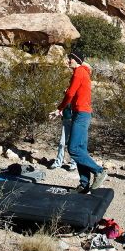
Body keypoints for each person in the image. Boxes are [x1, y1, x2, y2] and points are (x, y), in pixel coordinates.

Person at [49, 50, 107, 193]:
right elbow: (74, 93)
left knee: (73, 149)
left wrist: (59, 109)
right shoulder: (83, 72)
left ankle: (99, 171)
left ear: (76, 60)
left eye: (70, 59)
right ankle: (84, 185)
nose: (68, 61)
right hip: (81, 113)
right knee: (81, 150)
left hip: (81, 114)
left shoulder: (79, 71)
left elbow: (70, 93)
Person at [49, 104, 77, 171]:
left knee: (73, 143)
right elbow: (63, 107)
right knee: (62, 142)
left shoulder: (74, 96)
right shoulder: (66, 97)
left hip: (74, 121)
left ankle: (74, 164)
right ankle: (58, 162)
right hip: (65, 120)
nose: (64, 92)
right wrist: (59, 112)